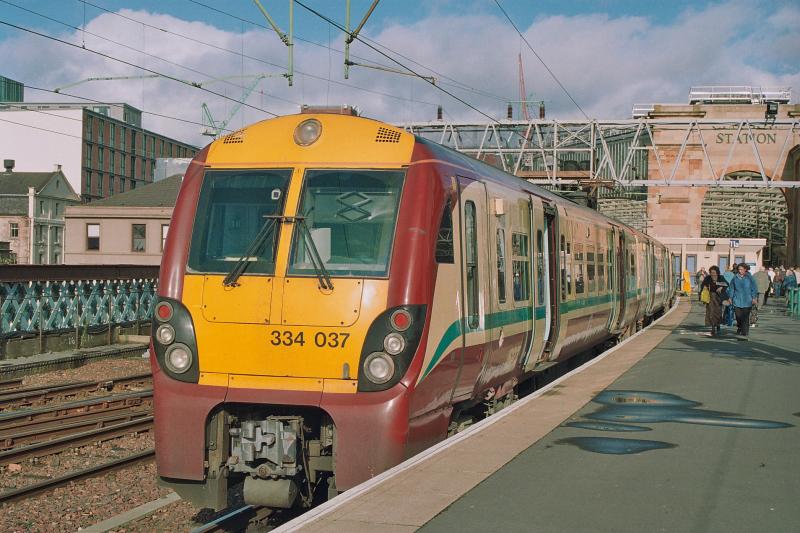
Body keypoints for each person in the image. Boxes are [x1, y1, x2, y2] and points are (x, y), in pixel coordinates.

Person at [727, 263, 758, 339]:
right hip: (737, 300)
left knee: (745, 317)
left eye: (741, 269)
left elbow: (754, 288)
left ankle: (745, 331)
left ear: (745, 269)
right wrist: (730, 297)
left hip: (747, 300)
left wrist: (754, 298)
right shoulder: (735, 278)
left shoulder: (750, 278)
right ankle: (740, 326)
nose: (740, 271)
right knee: (738, 316)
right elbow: (731, 288)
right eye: (739, 269)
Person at [701, 266, 728, 336]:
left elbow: (726, 284)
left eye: (714, 272)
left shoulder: (720, 277)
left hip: (718, 298)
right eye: (711, 272)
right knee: (711, 312)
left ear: (717, 272)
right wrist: (704, 287)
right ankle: (713, 328)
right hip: (710, 297)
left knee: (718, 312)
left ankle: (718, 326)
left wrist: (721, 287)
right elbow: (703, 285)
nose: (712, 274)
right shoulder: (708, 278)